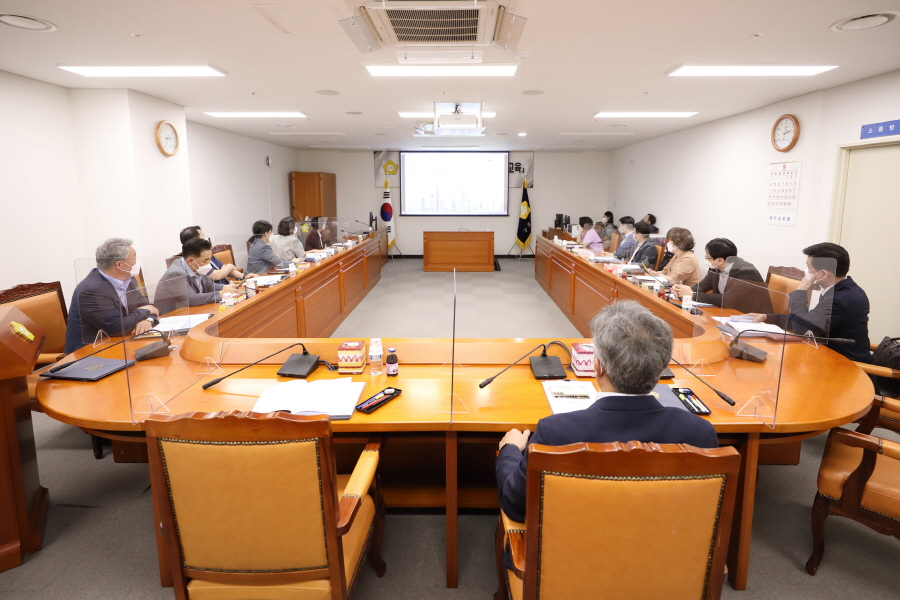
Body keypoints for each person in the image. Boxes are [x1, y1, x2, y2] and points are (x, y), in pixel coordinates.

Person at [496, 300, 718, 523]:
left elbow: (516, 505)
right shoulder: (700, 433)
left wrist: (510, 450)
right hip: (666, 542)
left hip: (579, 544)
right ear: (662, 368)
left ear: (597, 366)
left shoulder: (555, 432)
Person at [747, 242, 871, 363]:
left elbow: (802, 329)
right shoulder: (843, 290)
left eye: (809, 267)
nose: (806, 272)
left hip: (847, 366)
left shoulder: (841, 299)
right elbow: (808, 320)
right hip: (826, 356)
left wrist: (801, 290)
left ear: (823, 274)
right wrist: (767, 317)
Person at [63, 238, 160, 353]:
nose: (137, 262)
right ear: (119, 265)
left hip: (123, 344)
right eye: (134, 257)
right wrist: (145, 311)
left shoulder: (129, 280)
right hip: (90, 353)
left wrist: (148, 320)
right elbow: (116, 328)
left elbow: (148, 308)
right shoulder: (91, 290)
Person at [673, 238, 773, 313]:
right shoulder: (717, 268)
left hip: (753, 318)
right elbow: (702, 286)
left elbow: (728, 300)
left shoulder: (746, 272)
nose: (706, 260)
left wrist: (693, 295)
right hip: (728, 313)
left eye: (708, 257)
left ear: (719, 260)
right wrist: (681, 290)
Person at [155, 238, 241, 315]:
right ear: (191, 261)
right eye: (205, 260)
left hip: (194, 310)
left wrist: (225, 287)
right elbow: (192, 299)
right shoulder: (175, 273)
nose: (208, 264)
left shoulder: (197, 267)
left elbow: (209, 286)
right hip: (174, 316)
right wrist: (220, 294)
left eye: (210, 259)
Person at [179, 226, 253, 286]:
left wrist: (244, 276)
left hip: (227, 287)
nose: (206, 238)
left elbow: (224, 268)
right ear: (194, 241)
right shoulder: (194, 262)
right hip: (217, 292)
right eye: (203, 235)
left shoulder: (207, 254)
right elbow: (216, 275)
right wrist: (230, 266)